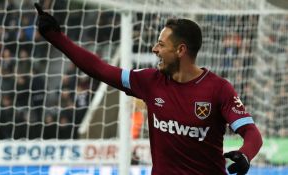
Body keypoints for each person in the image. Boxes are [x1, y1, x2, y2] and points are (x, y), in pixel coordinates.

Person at [34, 3, 262, 175]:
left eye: (161, 45)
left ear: (181, 50)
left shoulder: (218, 89)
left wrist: (245, 154)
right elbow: (99, 69)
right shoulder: (149, 81)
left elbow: (252, 133)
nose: (154, 49)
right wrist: (57, 38)